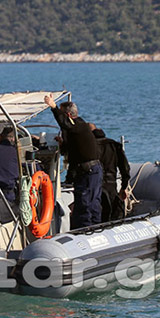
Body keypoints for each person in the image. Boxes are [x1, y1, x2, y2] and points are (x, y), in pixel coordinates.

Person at [43, 96, 102, 228]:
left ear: (69, 115)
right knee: (86, 203)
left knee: (86, 204)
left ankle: (88, 229)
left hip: (89, 171)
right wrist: (62, 143)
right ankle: (90, 227)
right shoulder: (76, 130)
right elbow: (69, 149)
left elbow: (65, 124)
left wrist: (54, 107)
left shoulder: (79, 125)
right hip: (86, 171)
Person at [91, 125, 131, 222]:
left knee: (96, 213)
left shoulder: (88, 147)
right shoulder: (114, 145)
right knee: (112, 212)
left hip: (93, 184)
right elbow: (125, 168)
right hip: (110, 184)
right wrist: (124, 186)